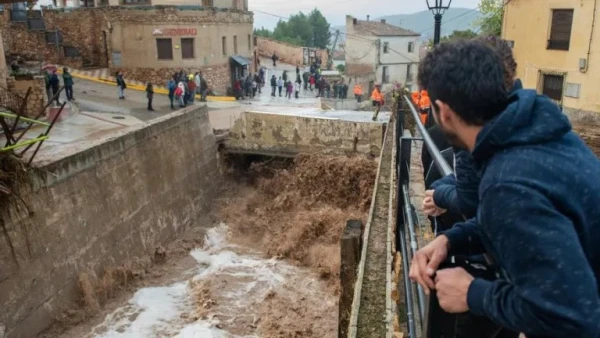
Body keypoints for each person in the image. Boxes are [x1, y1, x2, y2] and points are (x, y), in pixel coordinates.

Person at [409, 39, 600, 338]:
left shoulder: (508, 182)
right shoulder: (535, 133)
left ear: (443, 112)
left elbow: (573, 319)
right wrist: (452, 239)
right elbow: (534, 222)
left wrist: (473, 293)